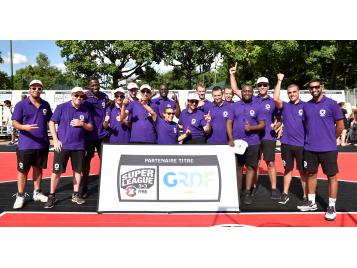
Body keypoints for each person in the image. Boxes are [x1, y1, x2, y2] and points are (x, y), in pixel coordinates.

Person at [297, 79, 344, 221]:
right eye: (311, 88)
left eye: (317, 87)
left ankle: (331, 206)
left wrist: (330, 138)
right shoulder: (306, 106)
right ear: (309, 90)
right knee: (311, 174)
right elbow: (306, 124)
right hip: (310, 147)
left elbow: (340, 126)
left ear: (321, 87)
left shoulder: (332, 104)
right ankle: (311, 202)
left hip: (328, 148)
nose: (314, 90)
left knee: (332, 177)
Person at [44, 87, 93, 208]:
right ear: (72, 95)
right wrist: (55, 140)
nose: (79, 98)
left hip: (79, 146)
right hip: (63, 146)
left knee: (77, 171)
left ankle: (76, 194)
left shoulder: (86, 110)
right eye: (77, 95)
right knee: (56, 172)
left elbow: (91, 127)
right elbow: (51, 122)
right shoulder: (62, 107)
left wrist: (82, 124)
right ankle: (52, 195)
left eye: (81, 96)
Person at [11, 80, 52, 209]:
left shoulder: (45, 105)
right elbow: (14, 123)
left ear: (42, 90)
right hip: (25, 145)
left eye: (39, 88)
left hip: (42, 144)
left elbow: (51, 121)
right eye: (33, 88)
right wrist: (24, 127)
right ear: (29, 89)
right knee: (22, 171)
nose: (36, 90)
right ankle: (20, 195)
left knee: (38, 169)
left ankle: (37, 193)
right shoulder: (21, 105)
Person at [227, 84, 265, 205]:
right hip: (237, 143)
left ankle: (247, 192)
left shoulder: (258, 106)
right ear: (241, 93)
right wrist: (231, 138)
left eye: (249, 91)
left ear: (252, 92)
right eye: (245, 91)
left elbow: (263, 124)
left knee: (250, 167)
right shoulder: (234, 106)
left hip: (253, 142)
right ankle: (238, 191)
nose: (247, 93)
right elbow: (229, 123)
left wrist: (252, 128)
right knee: (238, 168)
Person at [273, 73, 308, 205]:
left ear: (299, 92)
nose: (292, 94)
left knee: (303, 171)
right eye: (289, 93)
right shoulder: (285, 106)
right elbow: (275, 97)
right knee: (287, 169)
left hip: (301, 145)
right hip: (286, 143)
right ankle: (285, 193)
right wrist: (279, 80)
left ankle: (306, 196)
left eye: (294, 92)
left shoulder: (306, 106)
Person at [81, 78, 109, 198]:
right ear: (88, 86)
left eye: (96, 84)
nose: (95, 86)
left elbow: (109, 107)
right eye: (92, 85)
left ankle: (105, 186)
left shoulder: (104, 97)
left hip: (102, 135)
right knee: (86, 162)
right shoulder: (84, 97)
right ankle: (84, 186)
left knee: (105, 161)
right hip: (89, 136)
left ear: (99, 85)